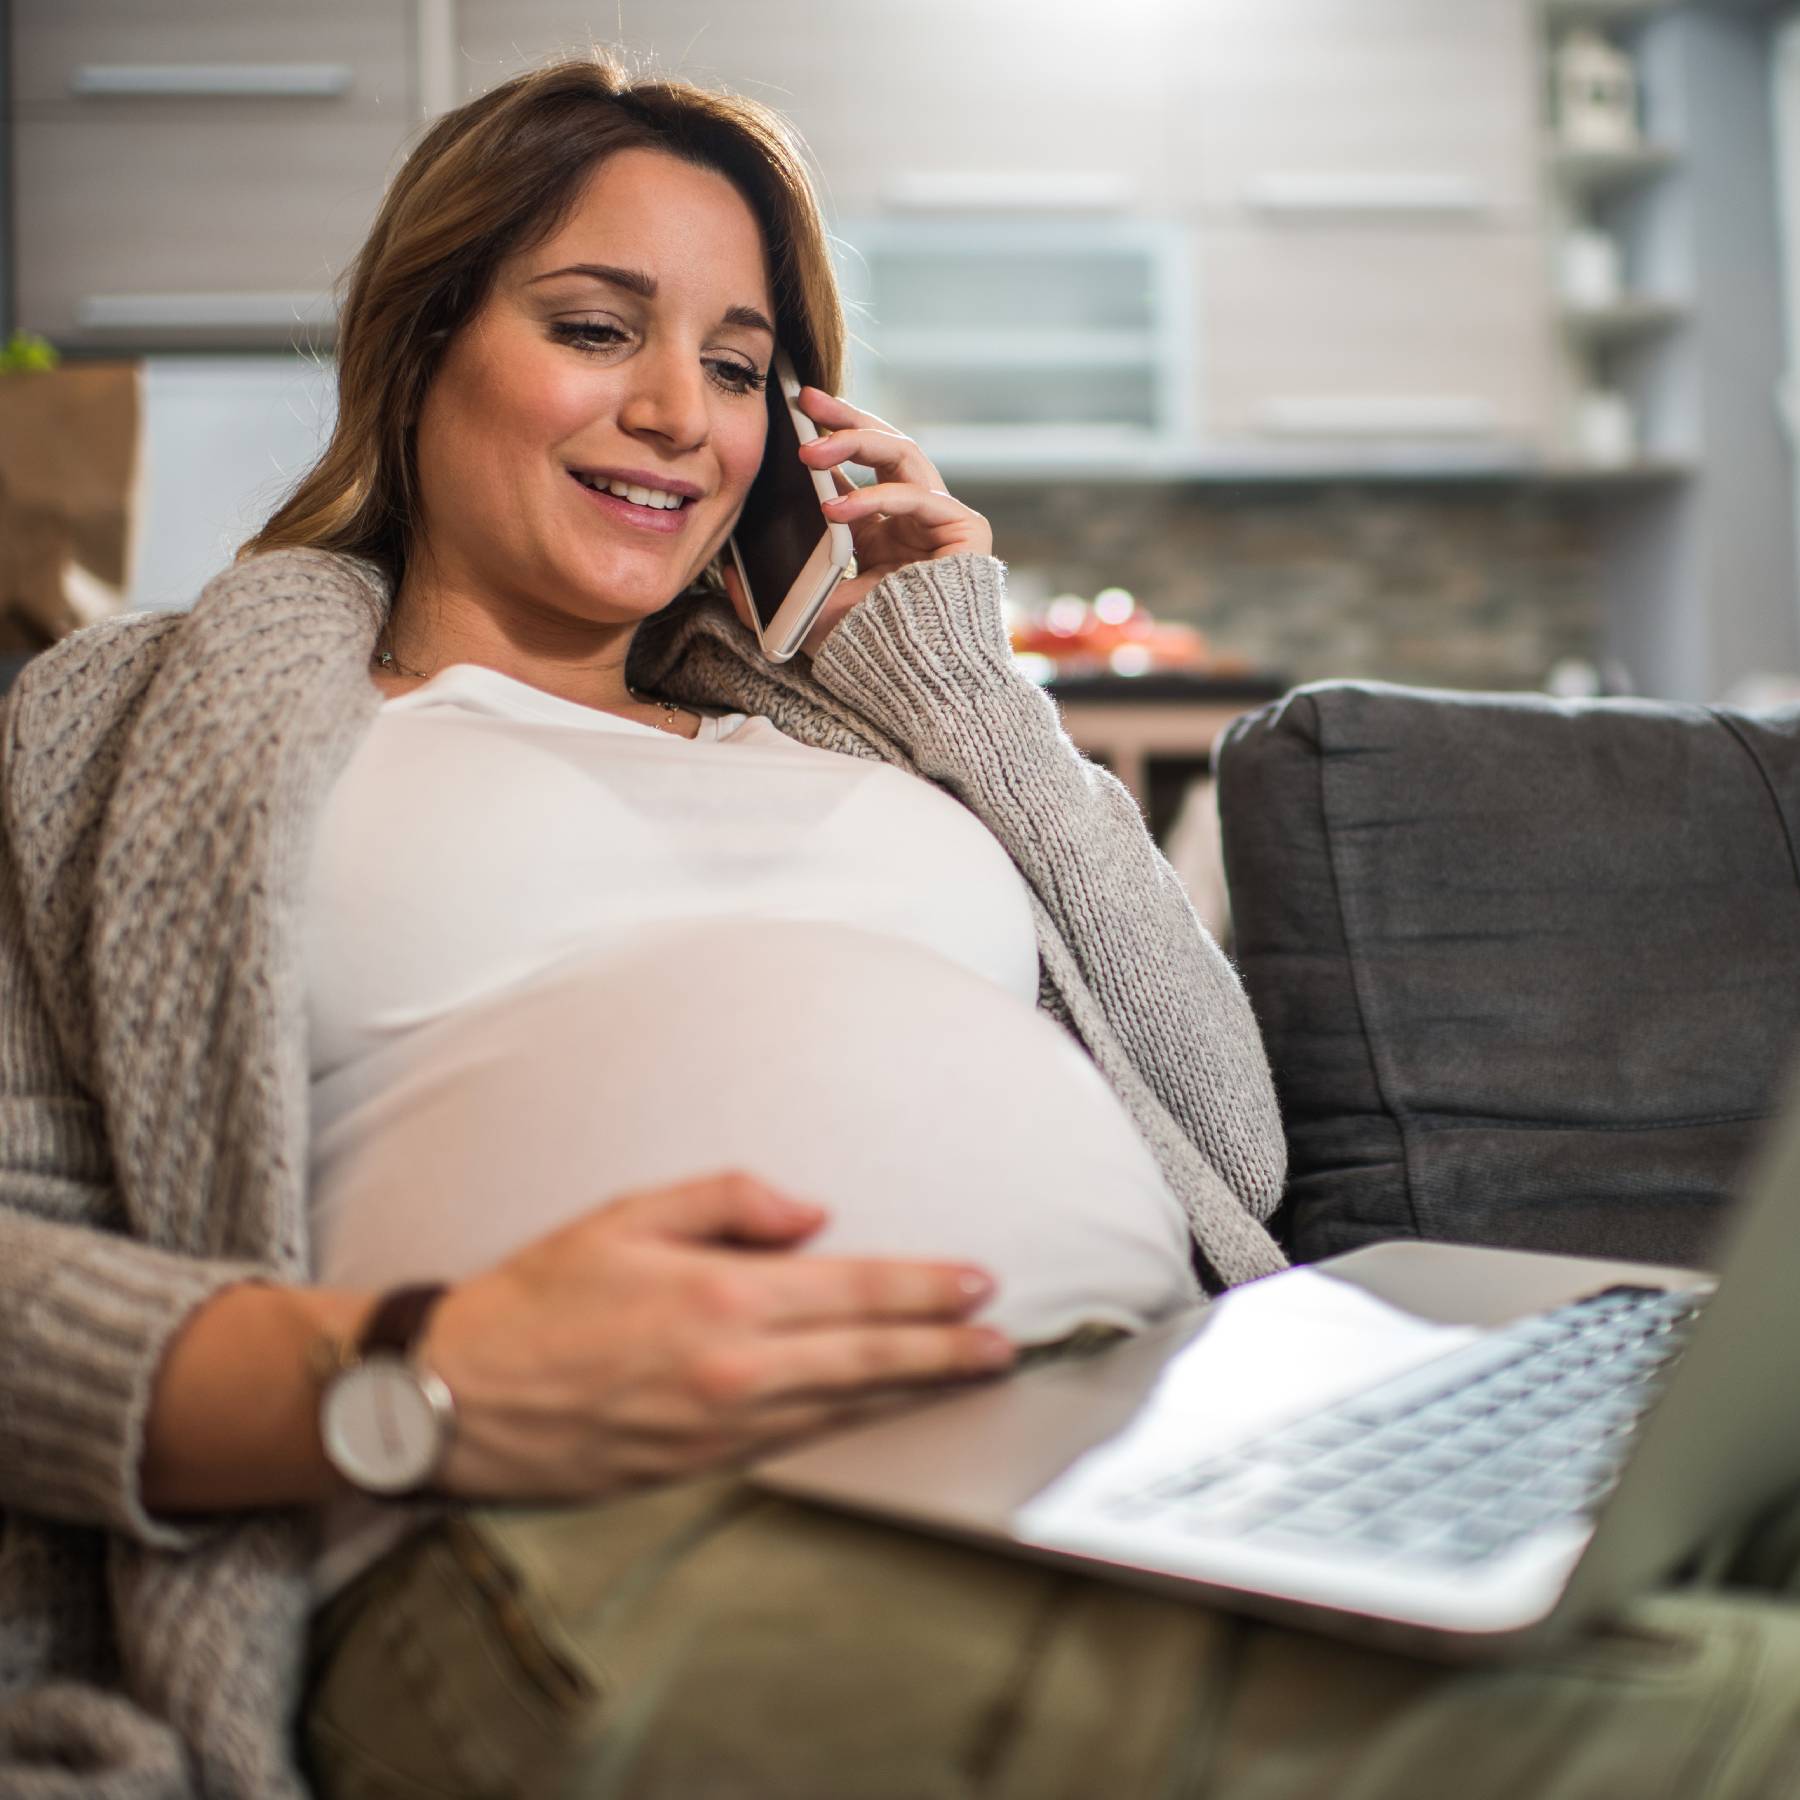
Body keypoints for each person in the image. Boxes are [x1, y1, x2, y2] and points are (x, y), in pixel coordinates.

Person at [3, 51, 1800, 1800]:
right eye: (593, 327)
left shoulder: (858, 741)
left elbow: (1229, 1141)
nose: (677, 417)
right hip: (595, 1524)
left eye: (737, 363)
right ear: (419, 350)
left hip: (1161, 1439)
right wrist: (412, 1377)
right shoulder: (150, 726)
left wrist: (963, 674)